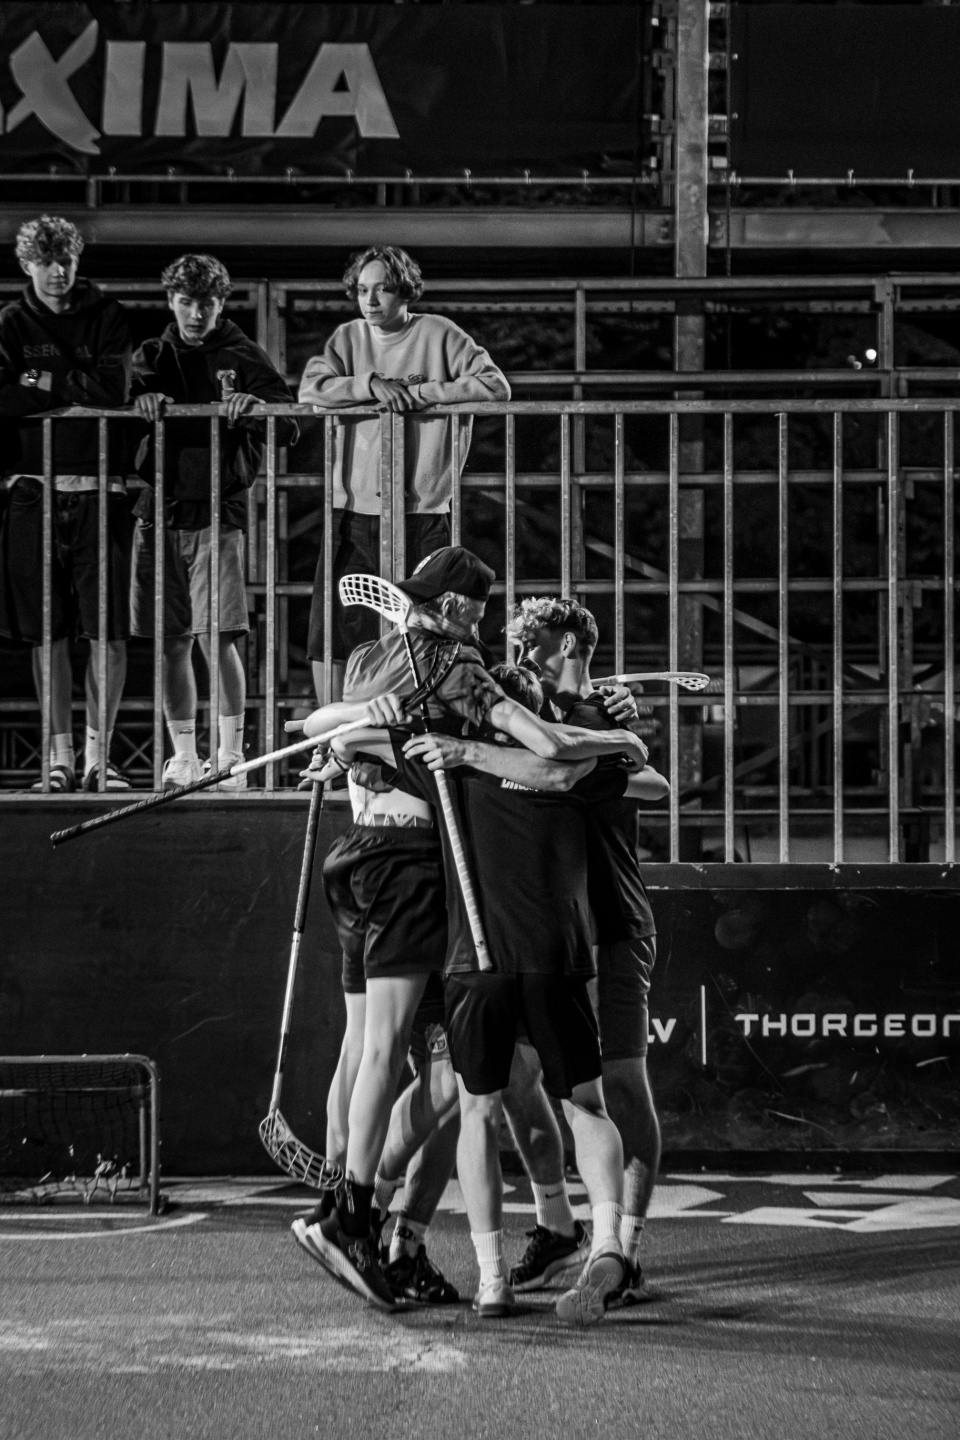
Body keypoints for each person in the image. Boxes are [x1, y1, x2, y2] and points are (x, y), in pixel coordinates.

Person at [288, 545, 648, 1313]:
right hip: (462, 902)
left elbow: (328, 732)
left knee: (443, 1082)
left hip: (400, 893)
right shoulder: (472, 699)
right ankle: (361, 1216)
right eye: (481, 617)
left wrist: (364, 730)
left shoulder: (414, 713)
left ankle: (424, 1240)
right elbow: (568, 759)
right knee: (476, 1085)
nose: (487, 635)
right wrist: (614, 738)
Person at [503, 597, 664, 1308]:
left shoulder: (605, 717)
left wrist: (607, 741)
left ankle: (623, 1246)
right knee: (512, 1077)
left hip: (611, 922)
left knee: (621, 1086)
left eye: (531, 641)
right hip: (539, 928)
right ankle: (556, 1224)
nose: (519, 653)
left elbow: (656, 783)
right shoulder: (520, 706)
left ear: (567, 643)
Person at [298, 245, 510, 703]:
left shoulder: (439, 332)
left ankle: (421, 723)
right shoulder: (348, 337)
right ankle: (334, 731)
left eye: (383, 289)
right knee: (333, 628)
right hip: (354, 511)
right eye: (362, 290)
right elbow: (311, 388)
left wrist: (420, 394)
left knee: (429, 627)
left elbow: (496, 387)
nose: (371, 300)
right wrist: (371, 386)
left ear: (406, 292)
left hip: (423, 511)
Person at [129, 254, 299, 789]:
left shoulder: (243, 354)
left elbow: (290, 424)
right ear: (171, 301)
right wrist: (142, 399)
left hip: (219, 509)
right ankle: (183, 756)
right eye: (186, 302)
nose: (196, 313)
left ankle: (229, 757)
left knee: (217, 636)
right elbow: (120, 404)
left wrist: (256, 407)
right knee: (170, 639)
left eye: (206, 303)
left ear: (221, 303)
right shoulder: (153, 354)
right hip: (159, 508)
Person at [0, 214, 133, 792]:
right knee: (46, 632)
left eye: (66, 260)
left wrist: (41, 382)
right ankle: (58, 758)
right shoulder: (11, 320)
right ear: (25, 265)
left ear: (77, 261)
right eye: (45, 261)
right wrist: (74, 382)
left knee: (107, 630)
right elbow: (1, 397)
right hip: (34, 489)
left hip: (101, 488)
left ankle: (99, 758)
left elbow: (115, 391)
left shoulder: (108, 315)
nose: (57, 271)